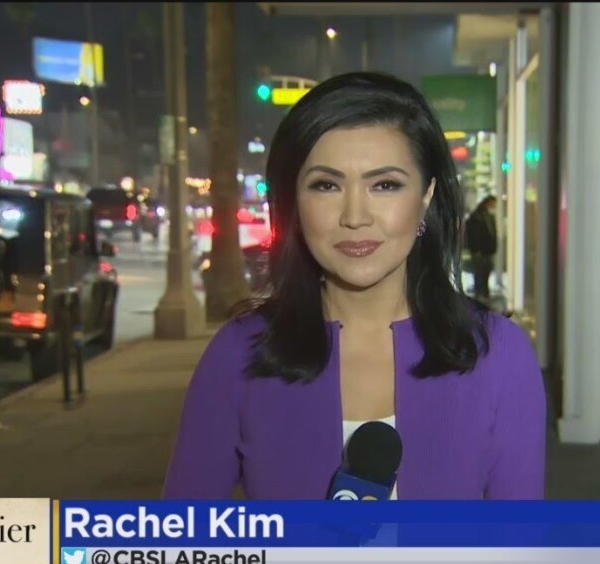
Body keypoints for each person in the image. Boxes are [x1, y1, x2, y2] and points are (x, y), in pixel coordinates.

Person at [163, 72, 546, 500]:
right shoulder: (238, 355)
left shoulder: (498, 356)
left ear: (426, 196)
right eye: (326, 185)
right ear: (294, 201)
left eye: (385, 185)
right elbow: (183, 535)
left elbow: (518, 539)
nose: (355, 216)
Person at [465, 195, 498, 305]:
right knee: (480, 273)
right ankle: (480, 295)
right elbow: (474, 234)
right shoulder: (477, 217)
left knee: (485, 272)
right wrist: (475, 249)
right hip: (480, 251)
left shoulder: (489, 216)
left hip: (487, 251)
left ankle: (484, 294)